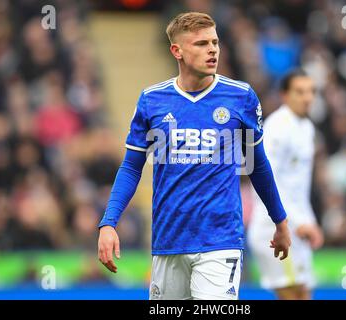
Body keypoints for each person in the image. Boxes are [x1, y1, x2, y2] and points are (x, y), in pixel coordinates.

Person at [97, 12, 291, 300]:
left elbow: (258, 165)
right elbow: (131, 167)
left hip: (220, 239)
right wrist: (109, 222)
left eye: (215, 42)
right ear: (177, 51)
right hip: (168, 240)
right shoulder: (152, 101)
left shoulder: (241, 97)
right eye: (201, 44)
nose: (212, 49)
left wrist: (280, 221)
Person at [248, 70, 324, 300]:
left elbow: (299, 187)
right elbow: (267, 180)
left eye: (311, 92)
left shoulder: (307, 128)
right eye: (300, 92)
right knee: (293, 294)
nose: (307, 98)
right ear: (284, 95)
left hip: (297, 226)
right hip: (273, 227)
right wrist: (298, 221)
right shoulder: (276, 128)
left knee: (303, 293)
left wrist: (308, 221)